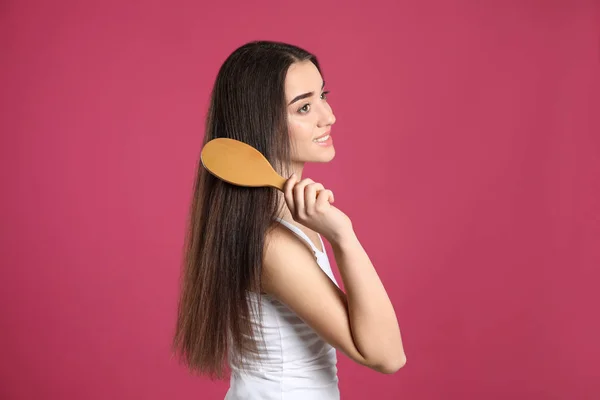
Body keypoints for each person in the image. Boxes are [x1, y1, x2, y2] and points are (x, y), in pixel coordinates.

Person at [172, 40, 406, 400]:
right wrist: (344, 238)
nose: (328, 116)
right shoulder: (273, 245)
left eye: (323, 96)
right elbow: (386, 355)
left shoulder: (288, 221)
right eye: (305, 107)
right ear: (261, 123)